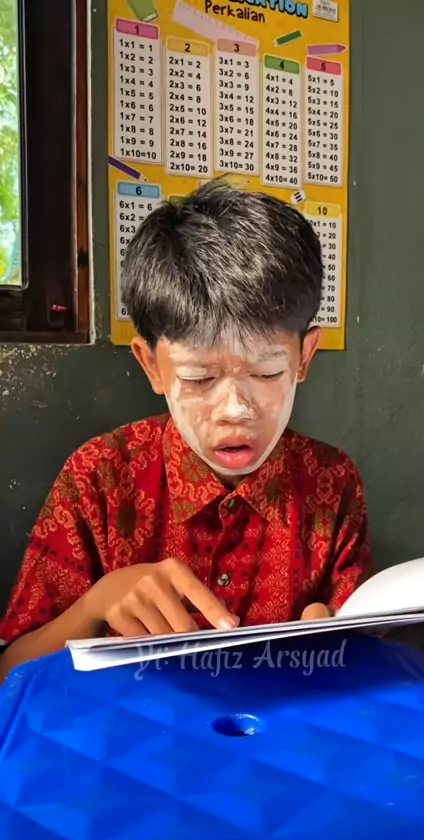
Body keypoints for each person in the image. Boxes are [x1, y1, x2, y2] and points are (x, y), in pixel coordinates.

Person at [0, 181, 372, 682]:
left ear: (304, 358)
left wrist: (333, 643)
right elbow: (10, 675)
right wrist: (94, 606)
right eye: (198, 379)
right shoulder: (100, 478)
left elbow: (363, 661)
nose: (235, 410)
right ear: (152, 366)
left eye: (266, 372)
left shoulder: (332, 482)